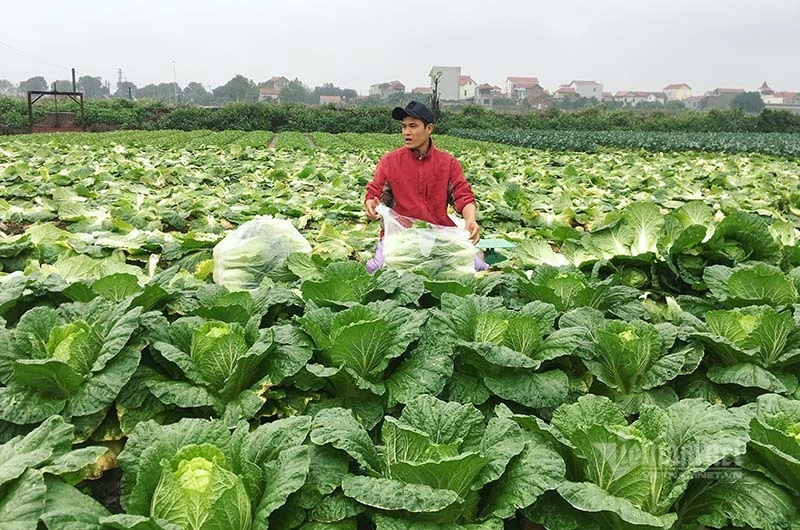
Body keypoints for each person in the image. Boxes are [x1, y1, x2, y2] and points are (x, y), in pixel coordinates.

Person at [364, 100, 485, 273]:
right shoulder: (390, 162)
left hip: (439, 238)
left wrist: (470, 219)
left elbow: (462, 195)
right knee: (376, 271)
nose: (406, 132)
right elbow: (375, 194)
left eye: (413, 126)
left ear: (429, 129)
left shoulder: (447, 163)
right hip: (401, 238)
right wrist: (371, 204)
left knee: (477, 269)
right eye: (404, 126)